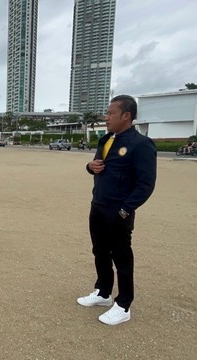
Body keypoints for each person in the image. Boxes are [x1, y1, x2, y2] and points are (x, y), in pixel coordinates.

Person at [77, 95, 157, 325]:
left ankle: (123, 305)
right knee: (99, 251)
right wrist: (90, 167)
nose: (107, 116)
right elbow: (97, 166)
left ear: (126, 116)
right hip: (98, 206)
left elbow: (146, 184)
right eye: (107, 112)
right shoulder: (106, 140)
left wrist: (125, 210)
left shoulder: (140, 144)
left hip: (118, 211)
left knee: (121, 257)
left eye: (112, 113)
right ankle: (103, 292)